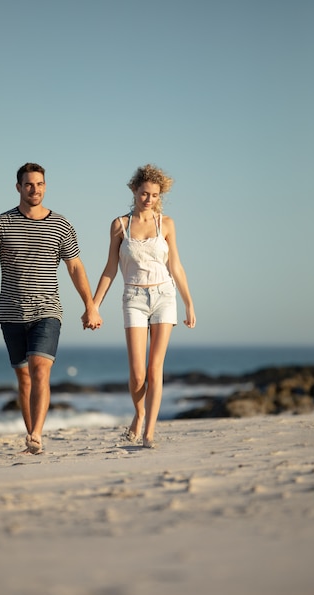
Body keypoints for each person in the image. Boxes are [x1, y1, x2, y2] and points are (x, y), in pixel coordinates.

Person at [0, 162, 102, 454]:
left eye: (40, 184)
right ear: (18, 187)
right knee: (24, 376)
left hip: (47, 311)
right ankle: (31, 432)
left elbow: (75, 267)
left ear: (45, 186)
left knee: (40, 369)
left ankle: (36, 436)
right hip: (11, 311)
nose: (35, 189)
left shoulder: (60, 224)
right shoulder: (0, 222)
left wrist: (90, 306)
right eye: (29, 184)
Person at [93, 164, 196, 448]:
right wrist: (94, 305)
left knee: (155, 370)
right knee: (138, 373)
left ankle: (149, 432)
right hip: (134, 299)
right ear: (134, 191)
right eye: (144, 193)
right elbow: (110, 269)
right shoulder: (120, 225)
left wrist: (189, 304)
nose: (148, 199)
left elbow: (175, 265)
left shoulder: (167, 224)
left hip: (164, 296)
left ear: (159, 196)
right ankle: (139, 415)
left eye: (153, 195)